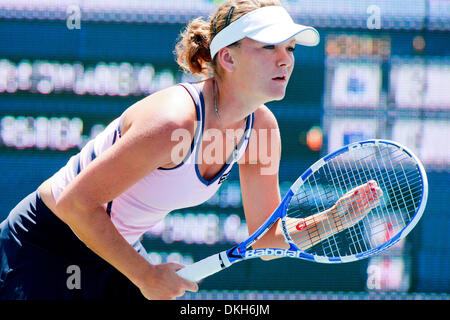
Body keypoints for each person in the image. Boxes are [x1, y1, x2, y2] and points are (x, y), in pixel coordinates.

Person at [0, 0, 324, 300]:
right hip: (45, 243)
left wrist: (331, 221)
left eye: (291, 48)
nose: (286, 59)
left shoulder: (262, 131)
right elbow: (76, 204)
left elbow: (264, 242)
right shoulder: (174, 123)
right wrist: (145, 275)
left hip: (111, 250)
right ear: (228, 57)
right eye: (269, 46)